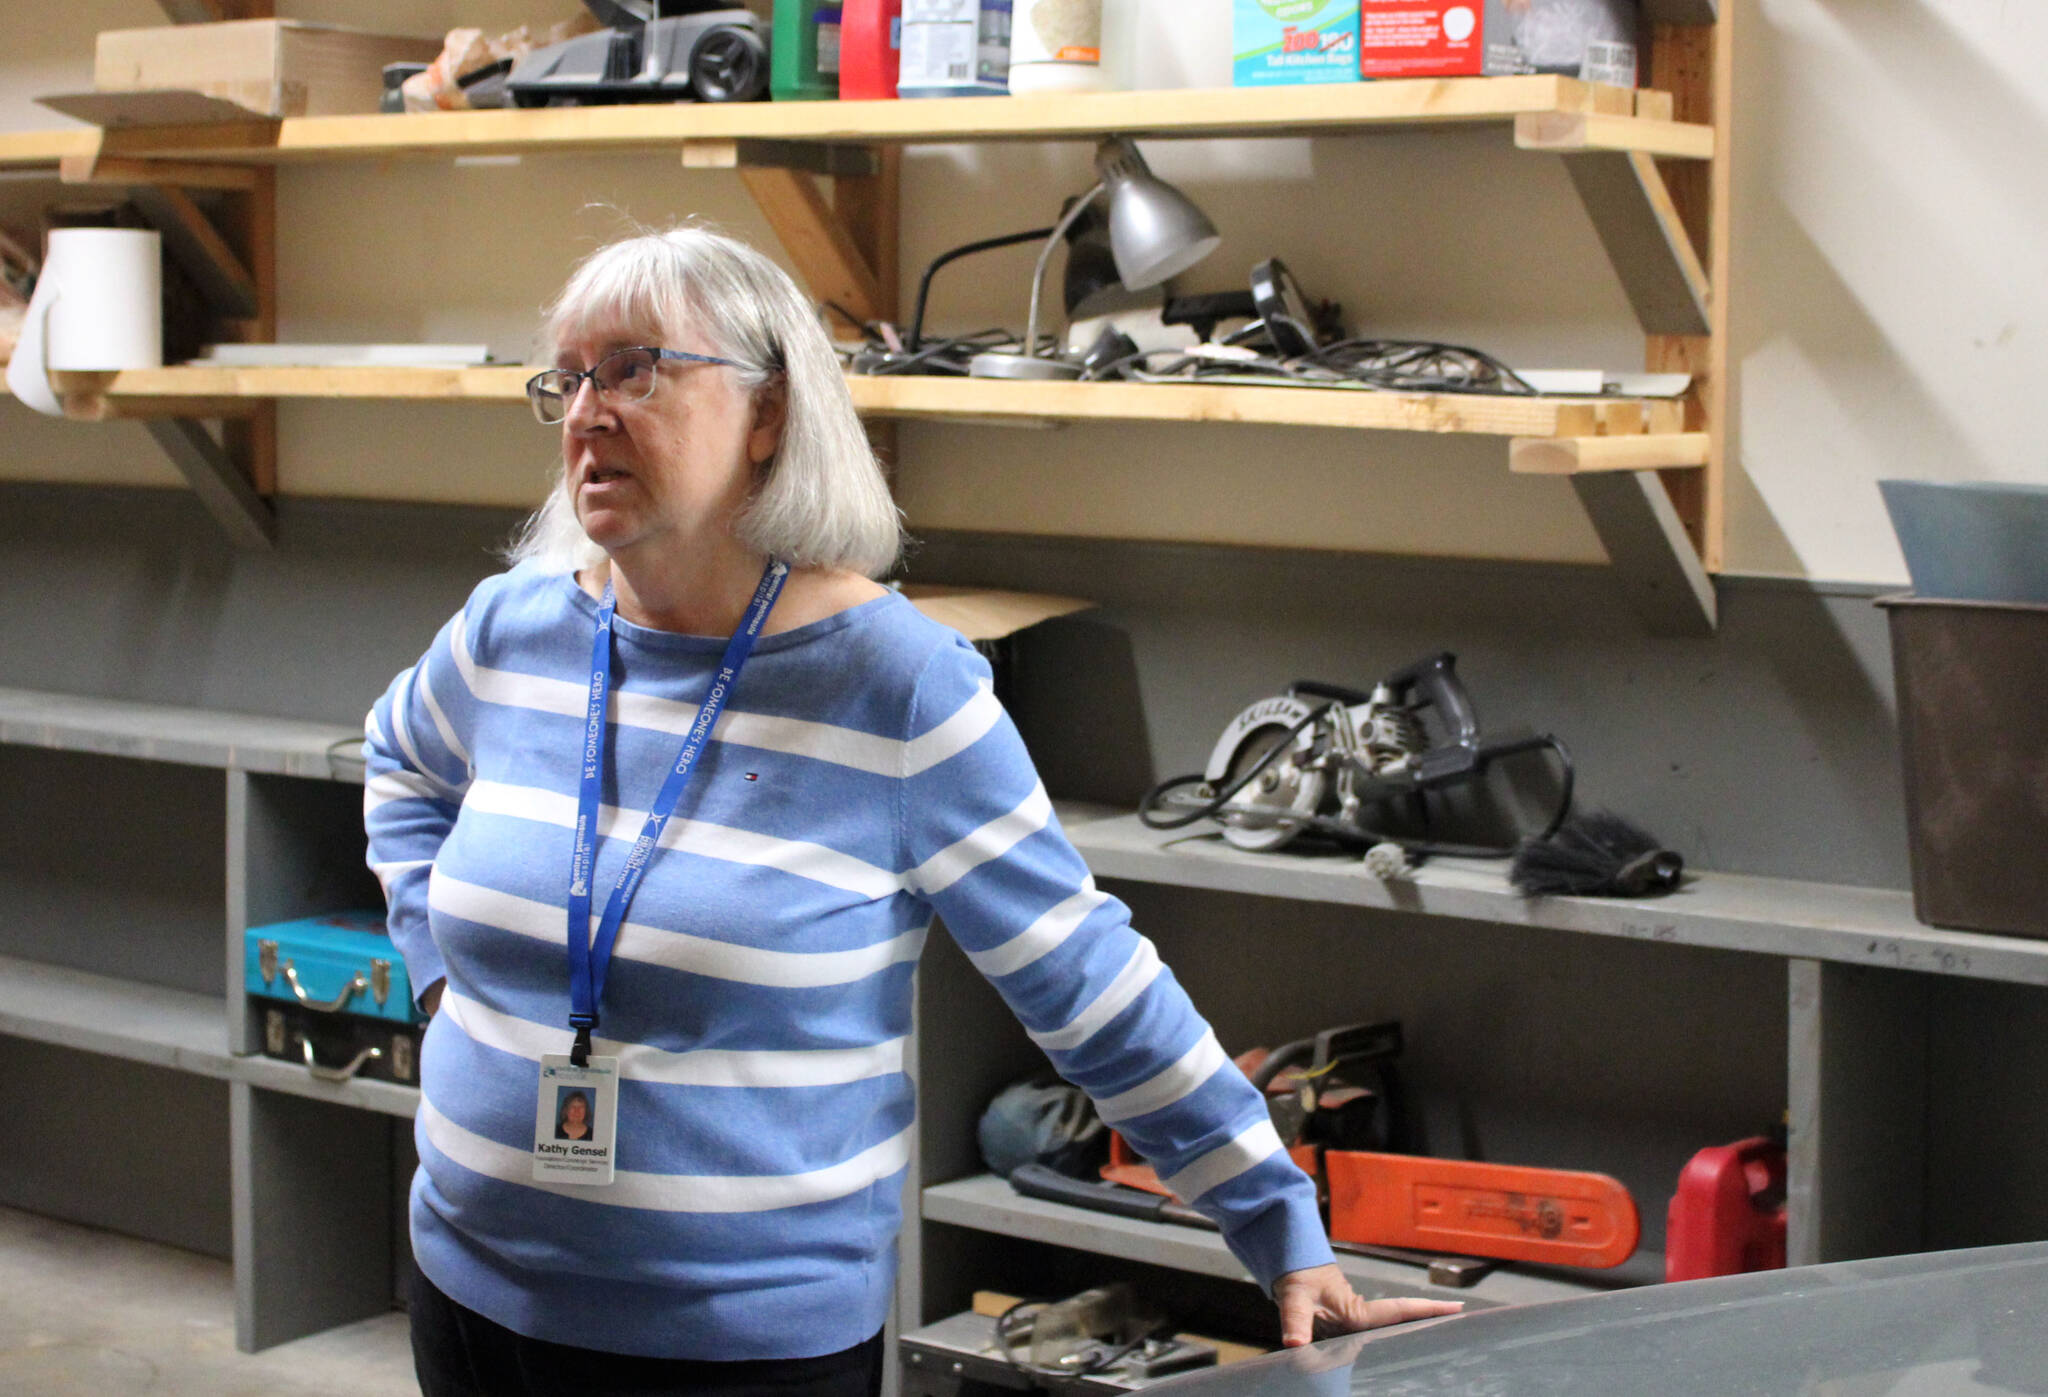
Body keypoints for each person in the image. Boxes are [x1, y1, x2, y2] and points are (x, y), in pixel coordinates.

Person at [363, 224, 1459, 1396]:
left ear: (769, 412)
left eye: (634, 367)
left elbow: (1084, 978)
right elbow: (399, 764)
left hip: (734, 1349)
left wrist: (1276, 1222)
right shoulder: (507, 630)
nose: (586, 409)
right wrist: (438, 965)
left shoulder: (899, 683)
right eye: (567, 378)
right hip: (469, 1289)